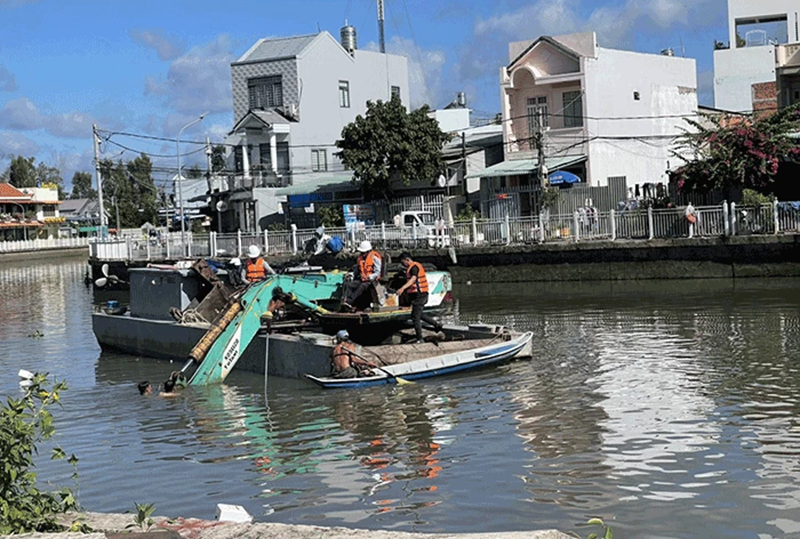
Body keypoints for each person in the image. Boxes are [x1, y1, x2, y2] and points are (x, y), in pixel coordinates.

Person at [395, 252, 442, 343]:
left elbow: (413, 279)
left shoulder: (414, 267)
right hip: (418, 295)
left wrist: (403, 288)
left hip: (420, 295)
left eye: (403, 262)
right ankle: (437, 325)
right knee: (419, 314)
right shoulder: (411, 267)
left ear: (407, 260)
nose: (403, 264)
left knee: (415, 317)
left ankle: (420, 338)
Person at [342, 240, 382, 310]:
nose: (362, 254)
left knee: (362, 286)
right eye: (361, 252)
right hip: (362, 279)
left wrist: (369, 277)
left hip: (371, 281)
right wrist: (351, 275)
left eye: (363, 253)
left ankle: (349, 301)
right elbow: (357, 270)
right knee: (350, 284)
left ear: (368, 251)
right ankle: (346, 302)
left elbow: (377, 272)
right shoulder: (360, 258)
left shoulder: (375, 258)